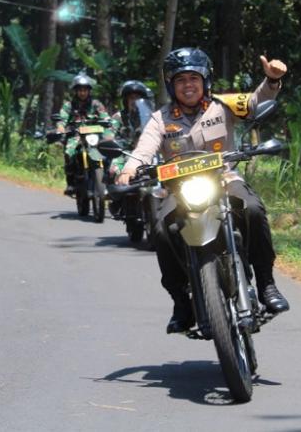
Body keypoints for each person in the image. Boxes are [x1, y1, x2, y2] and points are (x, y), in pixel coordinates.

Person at [116, 47, 290, 333]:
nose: (188, 85)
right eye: (180, 79)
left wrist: (271, 81)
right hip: (180, 190)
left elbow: (258, 101)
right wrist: (128, 170)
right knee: (160, 230)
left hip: (224, 179)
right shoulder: (160, 119)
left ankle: (266, 283)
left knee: (255, 210)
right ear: (171, 85)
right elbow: (143, 149)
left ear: (205, 81)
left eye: (193, 78)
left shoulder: (223, 105)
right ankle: (180, 301)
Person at [55, 73, 113, 196]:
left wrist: (108, 125)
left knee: (109, 152)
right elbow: (62, 119)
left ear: (89, 91)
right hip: (76, 136)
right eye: (80, 90)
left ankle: (108, 181)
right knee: (69, 152)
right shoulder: (69, 105)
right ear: (75, 91)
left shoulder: (96, 104)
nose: (82, 93)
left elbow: (106, 117)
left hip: (95, 136)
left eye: (85, 90)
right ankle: (70, 183)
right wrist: (60, 128)